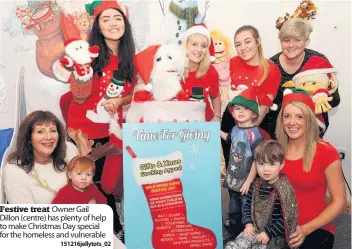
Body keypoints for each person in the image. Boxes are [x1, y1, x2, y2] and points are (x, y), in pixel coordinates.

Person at [57, 0, 136, 235]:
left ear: (125, 23)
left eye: (117, 18)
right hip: (86, 135)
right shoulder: (87, 55)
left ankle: (116, 232)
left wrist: (120, 101)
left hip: (114, 134)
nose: (113, 23)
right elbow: (78, 97)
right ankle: (106, 234)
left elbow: (135, 93)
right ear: (98, 27)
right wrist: (80, 78)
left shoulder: (130, 58)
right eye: (106, 19)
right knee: (90, 187)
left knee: (111, 186)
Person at [276, 88, 346, 249]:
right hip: (281, 225)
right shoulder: (276, 149)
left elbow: (340, 203)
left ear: (309, 120)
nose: (292, 122)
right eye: (287, 116)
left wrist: (305, 229)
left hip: (316, 228)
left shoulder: (326, 152)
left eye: (300, 116)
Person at [261, 18, 340, 139]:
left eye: (297, 40)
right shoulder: (270, 65)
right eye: (286, 40)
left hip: (311, 133)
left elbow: (335, 99)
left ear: (307, 41)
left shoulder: (318, 61)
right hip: (277, 135)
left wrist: (317, 98)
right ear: (280, 41)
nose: (291, 45)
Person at [221, 25, 281, 171]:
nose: (243, 47)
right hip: (231, 121)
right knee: (234, 169)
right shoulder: (232, 62)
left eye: (247, 41)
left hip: (256, 124)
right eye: (238, 44)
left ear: (258, 41)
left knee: (256, 171)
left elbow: (266, 104)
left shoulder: (271, 69)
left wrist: (248, 130)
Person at [225, 140, 298, 249]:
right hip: (254, 229)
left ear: (281, 164)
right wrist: (248, 223)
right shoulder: (256, 185)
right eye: (261, 164)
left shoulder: (284, 188)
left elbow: (287, 218)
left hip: (274, 235)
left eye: (272, 164)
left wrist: (268, 233)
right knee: (233, 246)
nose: (266, 169)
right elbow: (247, 207)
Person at [220, 88, 266, 239]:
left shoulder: (255, 134)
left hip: (247, 182)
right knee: (233, 209)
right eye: (238, 108)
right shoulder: (234, 129)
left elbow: (257, 159)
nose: (241, 112)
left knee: (246, 209)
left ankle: (245, 236)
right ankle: (233, 233)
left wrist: (249, 181)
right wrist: (215, 130)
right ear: (232, 112)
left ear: (254, 114)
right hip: (233, 179)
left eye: (246, 109)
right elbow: (228, 139)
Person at [3, 111, 77, 204]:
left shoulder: (69, 150)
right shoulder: (14, 171)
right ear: (28, 138)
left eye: (53, 130)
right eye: (40, 131)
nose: (48, 137)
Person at [179, 23, 222, 122]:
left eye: (203, 46)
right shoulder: (174, 70)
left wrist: (217, 116)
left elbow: (215, 95)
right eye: (194, 44)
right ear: (186, 45)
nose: (199, 50)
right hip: (178, 127)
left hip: (204, 126)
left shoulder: (211, 72)